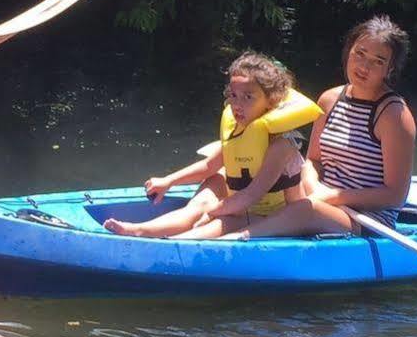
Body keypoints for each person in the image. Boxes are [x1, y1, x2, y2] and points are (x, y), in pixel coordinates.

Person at [102, 52, 320, 239]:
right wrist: (168, 181)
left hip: (273, 218)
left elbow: (251, 195)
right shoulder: (239, 131)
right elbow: (209, 165)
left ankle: (176, 243)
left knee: (222, 221)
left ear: (271, 100)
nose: (237, 104)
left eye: (248, 97)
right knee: (208, 190)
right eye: (233, 96)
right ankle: (140, 231)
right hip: (241, 207)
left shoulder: (283, 144)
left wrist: (213, 211)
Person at [240, 15, 417, 239]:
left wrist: (331, 197)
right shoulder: (329, 99)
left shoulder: (393, 114)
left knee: (304, 210)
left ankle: (238, 240)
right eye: (359, 53)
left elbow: (395, 195)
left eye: (378, 61)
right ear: (348, 51)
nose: (364, 66)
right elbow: (313, 160)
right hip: (320, 199)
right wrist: (312, 184)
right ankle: (204, 234)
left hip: (366, 218)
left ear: (389, 69)